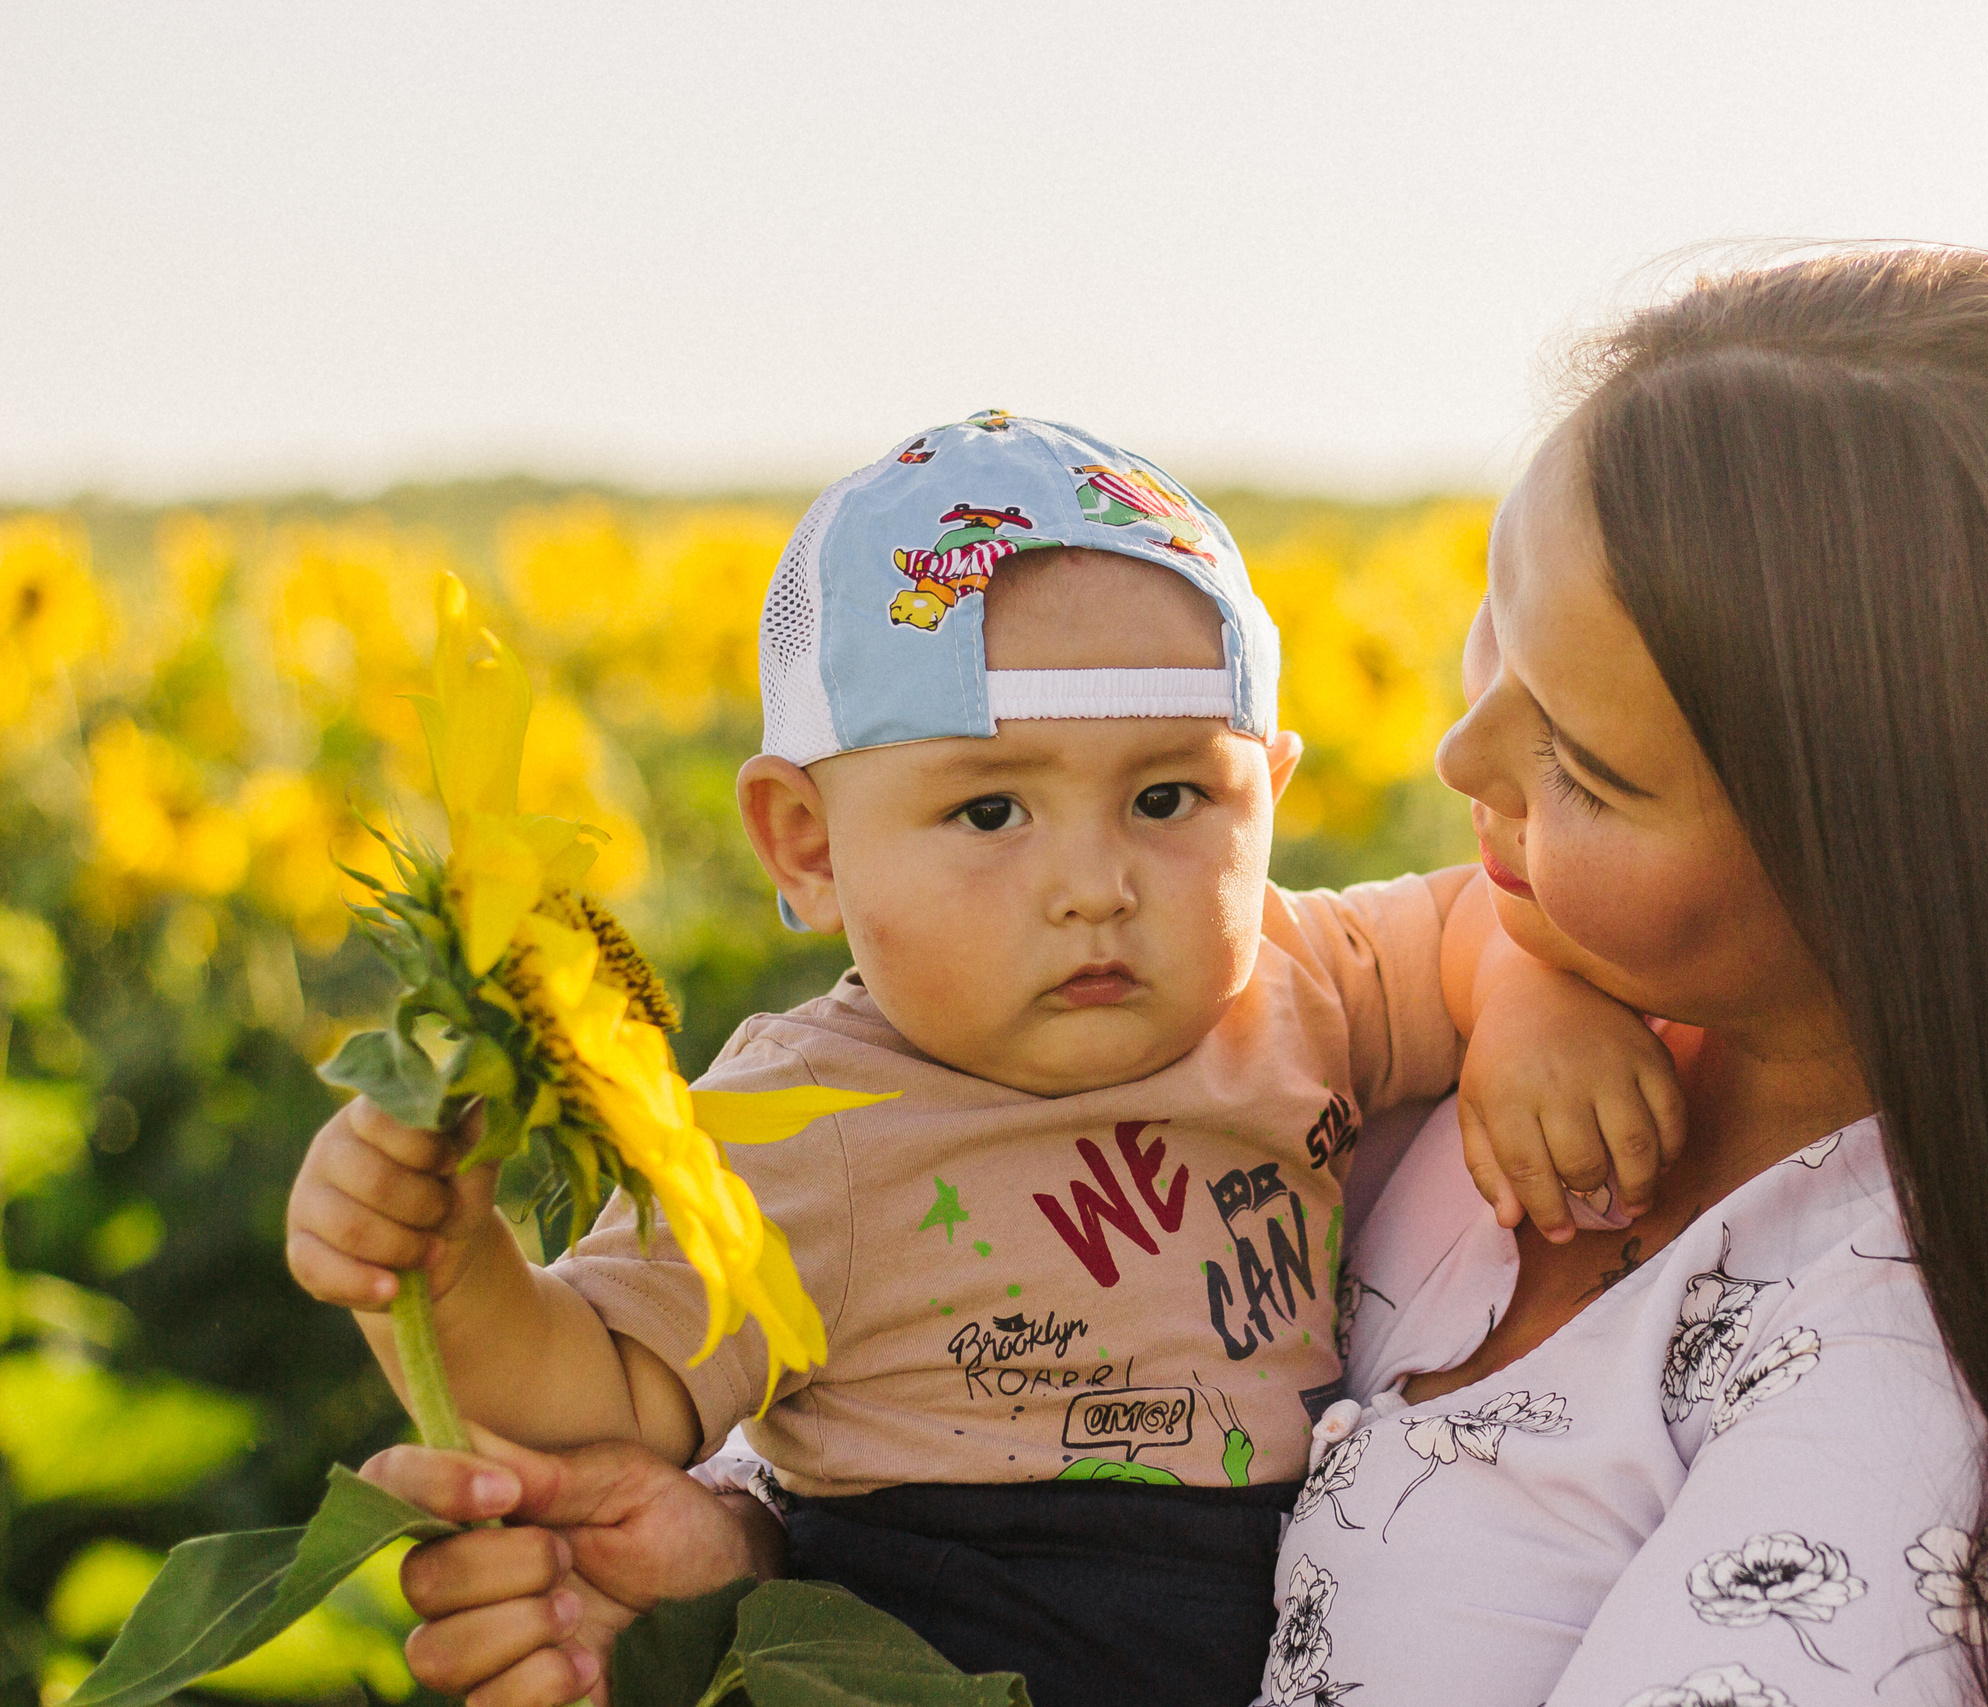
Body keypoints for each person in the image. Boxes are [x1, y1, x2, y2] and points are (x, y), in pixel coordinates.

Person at [368, 249, 1988, 1707]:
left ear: (1883, 852)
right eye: (1489, 649)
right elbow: (1016, 1336)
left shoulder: (1899, 1385)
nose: (1454, 762)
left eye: (1576, 759)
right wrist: (730, 1559)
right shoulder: (1438, 1034)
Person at [286, 413, 1679, 1707]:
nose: (1094, 885)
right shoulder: (798, 1121)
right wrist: (449, 1267)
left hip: (1274, 1611)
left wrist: (1526, 1001)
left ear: (1271, 794)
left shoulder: (1292, 982)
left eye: (1168, 797)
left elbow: (1460, 921)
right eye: (992, 809)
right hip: (938, 1631)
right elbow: (604, 1396)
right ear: (806, 844)